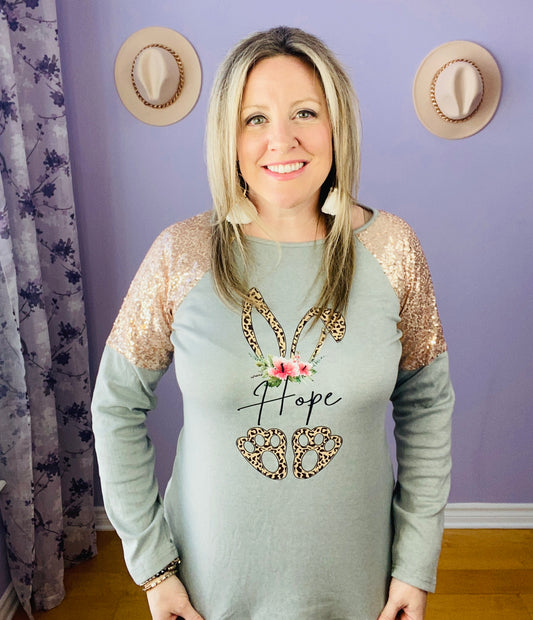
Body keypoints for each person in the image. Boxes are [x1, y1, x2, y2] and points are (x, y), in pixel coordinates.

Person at [92, 26, 454, 620]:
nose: (281, 139)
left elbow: (427, 405)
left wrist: (415, 564)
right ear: (228, 137)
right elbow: (115, 406)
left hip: (359, 589)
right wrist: (153, 568)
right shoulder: (180, 254)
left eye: (305, 112)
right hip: (207, 594)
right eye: (255, 118)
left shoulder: (393, 249)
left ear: (337, 124)